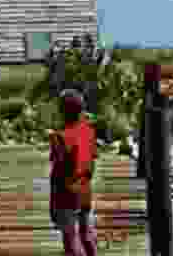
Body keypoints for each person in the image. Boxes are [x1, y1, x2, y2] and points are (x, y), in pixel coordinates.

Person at [50, 88, 98, 256]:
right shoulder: (88, 132)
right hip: (84, 190)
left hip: (66, 193)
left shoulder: (59, 137)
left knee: (70, 239)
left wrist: (53, 200)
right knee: (87, 235)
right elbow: (91, 162)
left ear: (62, 112)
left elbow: (57, 169)